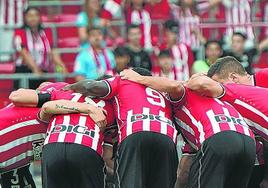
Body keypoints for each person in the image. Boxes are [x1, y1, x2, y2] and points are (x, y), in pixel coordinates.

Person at [120, 68, 256, 188]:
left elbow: (175, 86)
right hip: (249, 142)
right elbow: (185, 167)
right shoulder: (211, 96)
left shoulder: (182, 94)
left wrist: (139, 78)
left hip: (218, 136)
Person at [65, 67, 178, 188]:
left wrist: (71, 88)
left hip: (135, 132)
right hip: (167, 137)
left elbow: (89, 86)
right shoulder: (165, 92)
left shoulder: (123, 81)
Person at [9, 82, 117, 188]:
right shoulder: (114, 107)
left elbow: (18, 96)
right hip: (86, 147)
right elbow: (108, 157)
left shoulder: (63, 92)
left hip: (52, 147)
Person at [0, 82, 67, 188]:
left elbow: (44, 85)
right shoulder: (60, 96)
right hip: (9, 148)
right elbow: (15, 96)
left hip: (17, 158)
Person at [13, 7, 68, 89]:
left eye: (35, 15)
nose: (33, 18)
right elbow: (23, 52)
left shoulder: (46, 33)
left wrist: (61, 65)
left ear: (39, 17)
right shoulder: (19, 32)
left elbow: (52, 51)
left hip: (42, 71)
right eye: (30, 15)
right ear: (25, 18)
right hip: (24, 70)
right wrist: (35, 68)